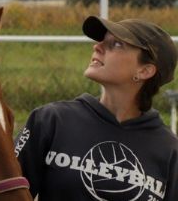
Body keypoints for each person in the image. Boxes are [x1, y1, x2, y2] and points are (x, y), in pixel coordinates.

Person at [14, 16, 178, 201]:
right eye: (101, 41)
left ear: (144, 71)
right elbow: (3, 193)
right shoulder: (51, 121)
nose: (97, 47)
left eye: (116, 44)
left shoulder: (169, 150)